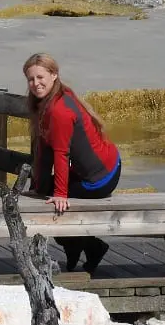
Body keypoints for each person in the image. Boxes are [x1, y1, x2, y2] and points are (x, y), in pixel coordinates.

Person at [23, 52, 122, 274]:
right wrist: (38, 185)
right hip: (100, 167)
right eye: (31, 79)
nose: (36, 83)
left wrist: (60, 194)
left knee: (51, 203)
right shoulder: (46, 103)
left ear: (54, 75)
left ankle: (89, 246)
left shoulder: (59, 109)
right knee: (43, 194)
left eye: (41, 77)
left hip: (101, 178)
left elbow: (61, 154)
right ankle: (77, 246)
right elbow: (44, 151)